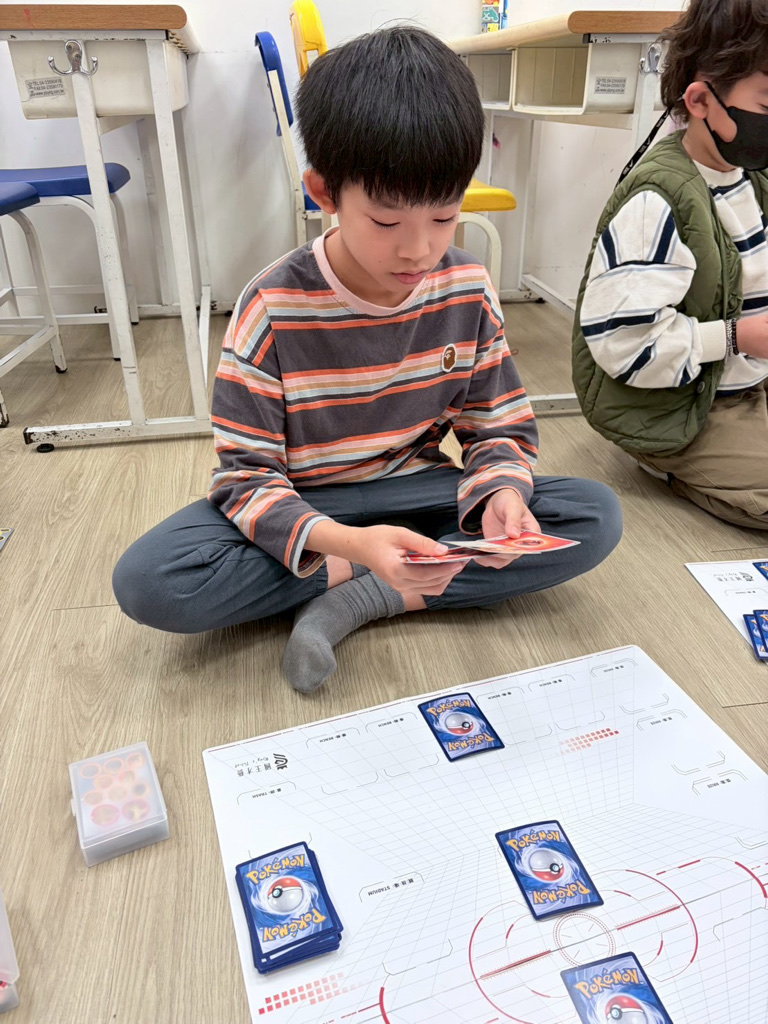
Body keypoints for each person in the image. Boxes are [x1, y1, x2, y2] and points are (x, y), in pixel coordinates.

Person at [113, 26, 621, 691]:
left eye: (444, 217)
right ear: (324, 192)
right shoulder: (271, 306)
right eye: (386, 222)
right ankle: (377, 574)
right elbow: (245, 478)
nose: (418, 250)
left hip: (415, 490)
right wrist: (351, 544)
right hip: (308, 503)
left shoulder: (466, 287)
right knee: (153, 580)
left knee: (592, 515)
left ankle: (363, 593)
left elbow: (495, 426)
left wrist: (501, 492)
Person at [573, 0, 768, 529]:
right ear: (701, 100)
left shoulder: (752, 177)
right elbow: (624, 343)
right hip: (680, 406)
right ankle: (663, 459)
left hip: (745, 383)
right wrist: (738, 337)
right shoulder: (659, 199)